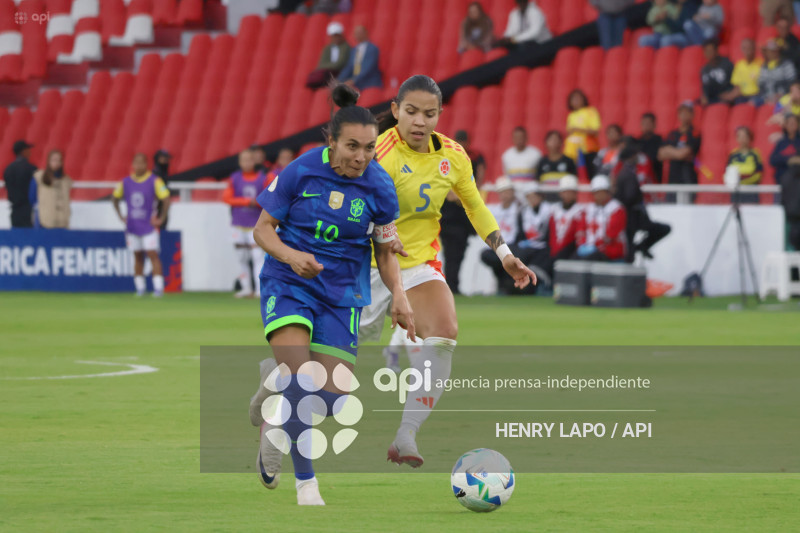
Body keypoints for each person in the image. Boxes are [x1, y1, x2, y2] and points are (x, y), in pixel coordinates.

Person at [360, 75, 536, 467]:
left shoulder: (453, 156)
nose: (420, 122)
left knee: (445, 332)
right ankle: (277, 378)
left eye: (429, 113)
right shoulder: (377, 152)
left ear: (440, 115)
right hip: (366, 268)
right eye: (411, 112)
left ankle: (406, 433)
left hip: (418, 264)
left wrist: (504, 252)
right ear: (395, 112)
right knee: (329, 362)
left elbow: (475, 205)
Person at [250, 84, 411, 506]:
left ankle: (275, 407)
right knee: (303, 384)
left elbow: (384, 249)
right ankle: (307, 485)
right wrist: (291, 256)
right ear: (331, 141)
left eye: (370, 147)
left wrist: (399, 294)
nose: (361, 156)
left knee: (333, 400)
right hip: (290, 283)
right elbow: (262, 229)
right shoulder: (300, 171)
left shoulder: (380, 189)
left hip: (341, 294)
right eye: (352, 146)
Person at [112, 153, 170, 297]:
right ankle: (140, 288)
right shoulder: (125, 182)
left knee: (152, 254)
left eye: (142, 163)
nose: (139, 166)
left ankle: (158, 288)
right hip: (132, 226)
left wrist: (161, 217)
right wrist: (120, 215)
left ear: (147, 164)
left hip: (149, 226)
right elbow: (114, 198)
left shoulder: (155, 181)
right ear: (133, 164)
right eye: (136, 163)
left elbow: (166, 198)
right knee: (137, 256)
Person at [439, 130, 484, 295]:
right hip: (450, 215)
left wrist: (465, 196)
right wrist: (461, 196)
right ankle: (452, 286)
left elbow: (478, 180)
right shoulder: (448, 157)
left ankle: (453, 285)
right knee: (451, 253)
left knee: (458, 253)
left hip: (462, 214)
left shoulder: (473, 157)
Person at [223, 148, 269, 298]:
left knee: (257, 257)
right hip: (238, 224)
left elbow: (269, 197)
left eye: (249, 159)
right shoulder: (234, 178)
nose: (246, 163)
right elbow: (226, 198)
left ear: (254, 161)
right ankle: (246, 288)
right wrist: (245, 201)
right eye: (243, 160)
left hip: (255, 225)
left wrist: (256, 202)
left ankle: (258, 289)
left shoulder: (263, 178)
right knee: (241, 257)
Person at [614, 141, 671, 261]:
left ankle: (640, 248)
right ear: (631, 157)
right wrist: (639, 199)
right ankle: (639, 248)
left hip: (633, 218)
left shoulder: (625, 173)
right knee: (629, 252)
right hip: (632, 217)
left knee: (630, 249)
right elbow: (629, 197)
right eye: (635, 154)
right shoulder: (627, 174)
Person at [480, 177, 522, 294]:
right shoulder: (494, 210)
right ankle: (503, 283)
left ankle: (508, 286)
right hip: (498, 245)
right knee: (486, 255)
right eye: (502, 192)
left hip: (514, 244)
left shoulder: (519, 209)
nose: (505, 195)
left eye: (508, 191)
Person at [574, 175, 627, 261]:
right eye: (596, 192)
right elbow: (581, 230)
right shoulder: (588, 209)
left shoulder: (617, 209)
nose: (599, 195)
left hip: (611, 252)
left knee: (591, 259)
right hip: (590, 250)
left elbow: (611, 234)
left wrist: (595, 247)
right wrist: (582, 245)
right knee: (571, 260)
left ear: (607, 193)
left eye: (602, 192)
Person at [658, 102, 702, 200]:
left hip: (687, 178)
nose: (683, 115)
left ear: (692, 115)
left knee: (687, 211)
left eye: (686, 113)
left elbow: (683, 154)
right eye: (681, 113)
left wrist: (669, 151)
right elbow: (660, 154)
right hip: (673, 179)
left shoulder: (694, 133)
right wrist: (677, 153)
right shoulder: (672, 134)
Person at [548, 175, 583, 269]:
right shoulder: (554, 210)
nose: (567, 195)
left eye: (570, 192)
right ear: (560, 193)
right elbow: (551, 233)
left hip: (571, 251)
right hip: (554, 251)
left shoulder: (580, 211)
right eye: (565, 192)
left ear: (575, 194)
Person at [30, 149, 71, 229]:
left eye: (59, 160)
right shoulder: (39, 177)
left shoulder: (66, 180)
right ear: (48, 161)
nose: (56, 163)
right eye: (54, 160)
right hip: (45, 221)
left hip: (62, 222)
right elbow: (32, 198)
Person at [564, 89, 601, 178]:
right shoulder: (571, 115)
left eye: (578, 98)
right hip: (572, 150)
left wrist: (578, 129)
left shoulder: (591, 111)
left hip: (589, 148)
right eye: (573, 99)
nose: (576, 101)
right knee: (571, 175)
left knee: (592, 174)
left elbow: (595, 130)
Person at [306, 21, 351, 89]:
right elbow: (321, 64)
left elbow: (340, 63)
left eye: (337, 35)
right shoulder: (327, 49)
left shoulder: (346, 47)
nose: (335, 38)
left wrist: (328, 66)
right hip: (329, 74)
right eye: (333, 36)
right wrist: (331, 66)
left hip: (340, 74)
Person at [337, 25, 382, 90]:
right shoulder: (354, 50)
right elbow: (349, 67)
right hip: (357, 83)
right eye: (356, 33)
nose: (357, 35)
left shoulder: (372, 49)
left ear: (366, 33)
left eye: (360, 33)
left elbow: (367, 68)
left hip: (369, 82)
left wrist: (353, 80)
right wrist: (339, 80)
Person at [3, 140, 37, 228]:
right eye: (28, 149)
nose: (30, 152)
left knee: (16, 238)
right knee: (30, 238)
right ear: (23, 151)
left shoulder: (8, 169)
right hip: (28, 209)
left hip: (14, 209)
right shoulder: (31, 168)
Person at [726, 126, 764, 204]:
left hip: (751, 190)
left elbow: (759, 173)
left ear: (749, 138)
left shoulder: (755, 154)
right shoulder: (733, 154)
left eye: (744, 136)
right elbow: (728, 172)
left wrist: (744, 180)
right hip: (736, 191)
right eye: (740, 136)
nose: (742, 139)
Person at [759, 39, 797, 105]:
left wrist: (781, 94)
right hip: (766, 98)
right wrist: (765, 97)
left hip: (784, 96)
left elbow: (792, 83)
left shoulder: (787, 64)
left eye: (774, 51)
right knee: (751, 103)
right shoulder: (764, 66)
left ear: (778, 51)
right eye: (769, 51)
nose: (771, 53)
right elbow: (761, 85)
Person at [700, 39, 736, 105]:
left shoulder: (727, 65)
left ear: (716, 51)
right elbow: (705, 89)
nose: (708, 53)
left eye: (710, 51)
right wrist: (704, 97)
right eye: (706, 51)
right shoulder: (704, 70)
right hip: (711, 99)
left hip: (726, 99)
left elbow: (736, 84)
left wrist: (730, 94)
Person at [731, 38, 764, 105]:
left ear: (754, 49)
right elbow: (737, 86)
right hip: (743, 96)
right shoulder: (739, 65)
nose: (747, 51)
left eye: (749, 48)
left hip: (758, 95)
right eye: (744, 48)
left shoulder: (761, 64)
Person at [770, 113, 800, 183]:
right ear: (785, 125)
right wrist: (789, 159)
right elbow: (772, 159)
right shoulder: (781, 143)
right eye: (789, 123)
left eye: (794, 123)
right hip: (782, 180)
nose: (792, 125)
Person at [637, 113, 664, 183]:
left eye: (648, 123)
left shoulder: (659, 140)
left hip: (655, 177)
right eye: (644, 123)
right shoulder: (637, 142)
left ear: (654, 125)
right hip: (641, 179)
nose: (646, 126)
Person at [781, 158, 800, 250]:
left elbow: (783, 195)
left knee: (790, 240)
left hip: (789, 211)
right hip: (796, 211)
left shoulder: (785, 176)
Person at [152, 149, 171, 230]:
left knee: (163, 225)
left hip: (162, 204)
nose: (166, 160)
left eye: (167, 158)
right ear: (158, 158)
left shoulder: (163, 172)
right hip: (157, 204)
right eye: (164, 158)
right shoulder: (157, 172)